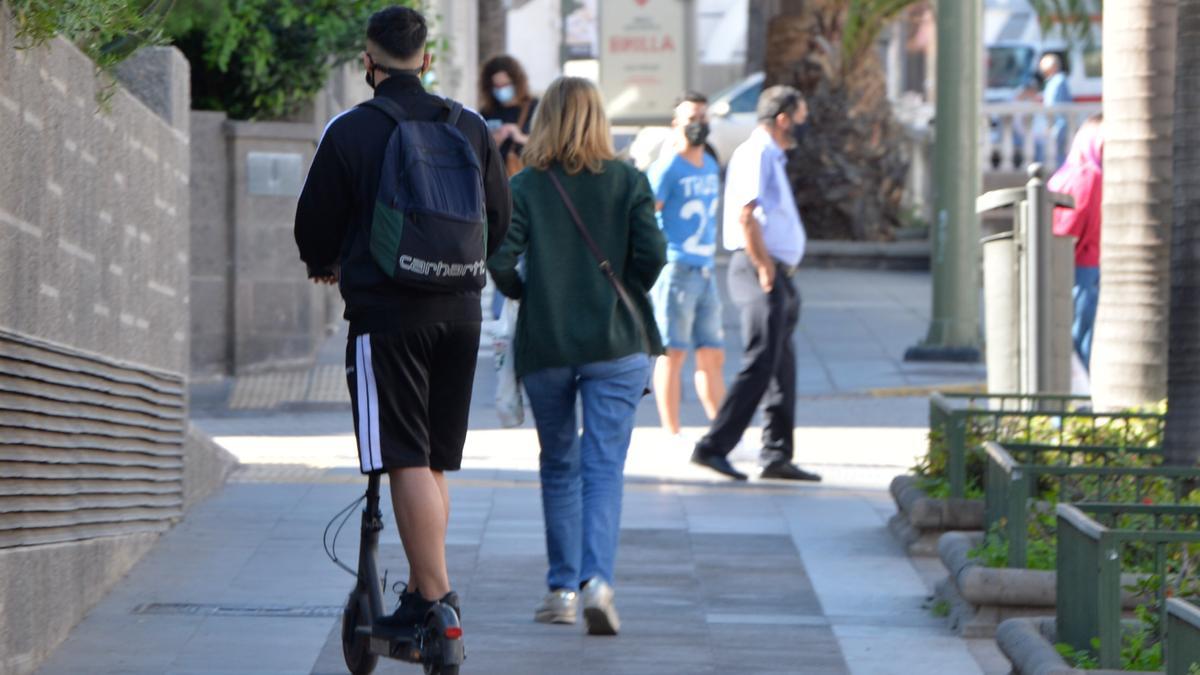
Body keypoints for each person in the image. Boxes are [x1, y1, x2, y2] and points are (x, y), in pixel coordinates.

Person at [293, 5, 511, 630]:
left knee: (403, 454)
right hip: (462, 311)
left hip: (388, 315)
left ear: (368, 61)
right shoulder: (469, 126)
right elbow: (500, 217)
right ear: (427, 58)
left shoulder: (351, 129)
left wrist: (325, 262)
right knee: (433, 458)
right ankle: (422, 593)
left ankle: (439, 600)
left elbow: (314, 222)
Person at [487, 77, 666, 635]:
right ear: (599, 120)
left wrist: (528, 294)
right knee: (604, 467)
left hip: (549, 345)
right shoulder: (627, 179)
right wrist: (626, 289)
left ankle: (562, 590)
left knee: (559, 464)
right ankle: (598, 582)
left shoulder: (529, 187)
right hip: (617, 345)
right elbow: (654, 255)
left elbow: (498, 262)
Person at [689, 85, 821, 484]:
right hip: (757, 268)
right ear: (782, 119)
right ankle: (712, 447)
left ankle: (777, 453)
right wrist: (765, 269)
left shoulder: (773, 156)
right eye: (799, 118)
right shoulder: (756, 153)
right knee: (761, 361)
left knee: (782, 365)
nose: (803, 126)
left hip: (776, 270)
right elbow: (747, 216)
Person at [647, 93, 726, 444]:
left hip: (706, 269)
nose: (700, 124)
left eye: (704, 117)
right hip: (677, 269)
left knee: (712, 354)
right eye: (693, 118)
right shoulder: (667, 167)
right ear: (676, 125)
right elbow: (648, 214)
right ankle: (672, 432)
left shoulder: (709, 163)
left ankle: (722, 434)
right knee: (673, 352)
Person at [1048, 115, 1103, 371]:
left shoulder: (1079, 175)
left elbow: (1072, 224)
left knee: (1076, 340)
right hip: (1080, 263)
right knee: (1077, 338)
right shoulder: (1087, 175)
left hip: (1078, 265)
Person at [479, 54, 539, 176]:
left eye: (505, 85)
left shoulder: (535, 107)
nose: (501, 90)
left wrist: (520, 137)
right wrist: (493, 142)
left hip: (527, 174)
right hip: (496, 176)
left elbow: (547, 144)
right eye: (497, 86)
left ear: (517, 83)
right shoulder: (487, 111)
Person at [1038, 52, 1072, 167]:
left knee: (1058, 154)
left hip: (1059, 123)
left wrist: (1051, 123)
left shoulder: (1059, 81)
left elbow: (1055, 105)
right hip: (1055, 123)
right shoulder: (1052, 81)